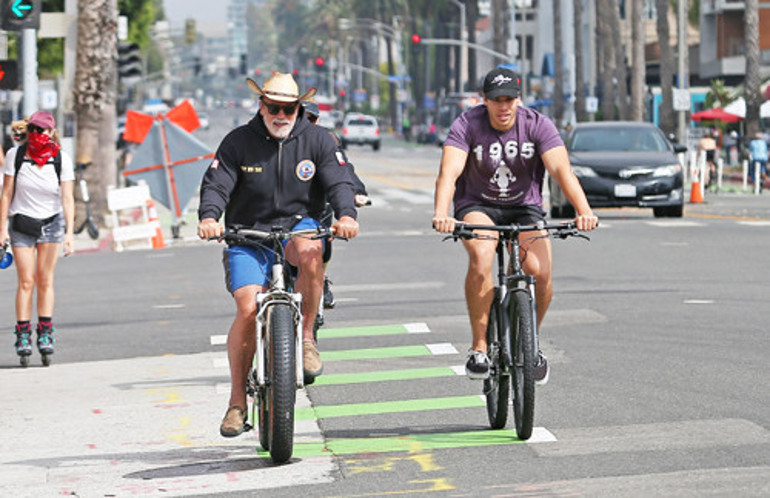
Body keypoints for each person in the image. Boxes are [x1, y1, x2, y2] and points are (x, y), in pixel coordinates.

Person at [197, 72, 360, 438]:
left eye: (289, 108)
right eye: (274, 107)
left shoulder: (318, 140)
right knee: (246, 307)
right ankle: (237, 402)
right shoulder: (237, 142)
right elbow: (217, 183)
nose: (281, 115)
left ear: (299, 108)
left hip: (296, 226)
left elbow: (337, 179)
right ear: (261, 106)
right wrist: (209, 217)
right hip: (247, 234)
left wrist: (347, 214)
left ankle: (306, 339)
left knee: (312, 251)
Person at [432, 67, 598, 382]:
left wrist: (584, 210)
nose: (504, 106)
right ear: (485, 101)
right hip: (478, 205)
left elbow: (562, 171)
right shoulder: (467, 124)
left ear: (519, 99)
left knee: (540, 271)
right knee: (481, 256)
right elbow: (449, 173)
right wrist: (442, 213)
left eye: (510, 99)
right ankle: (479, 347)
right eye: (497, 100)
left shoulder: (538, 125)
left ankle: (529, 341)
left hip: (525, 207)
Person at [0, 111, 75, 361]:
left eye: (42, 130)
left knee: (45, 280)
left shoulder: (61, 159)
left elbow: (67, 198)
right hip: (21, 223)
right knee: (26, 281)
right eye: (33, 130)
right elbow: (6, 193)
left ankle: (45, 331)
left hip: (52, 224)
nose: (37, 135)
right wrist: (1, 229)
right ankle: (23, 333)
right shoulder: (16, 155)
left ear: (51, 133)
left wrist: (70, 234)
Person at [302, 99, 370, 312]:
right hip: (285, 207)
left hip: (319, 202)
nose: (305, 123)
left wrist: (357, 192)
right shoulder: (279, 138)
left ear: (317, 119)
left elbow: (343, 169)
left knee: (323, 247)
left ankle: (320, 281)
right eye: (300, 117)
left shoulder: (326, 139)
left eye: (310, 118)